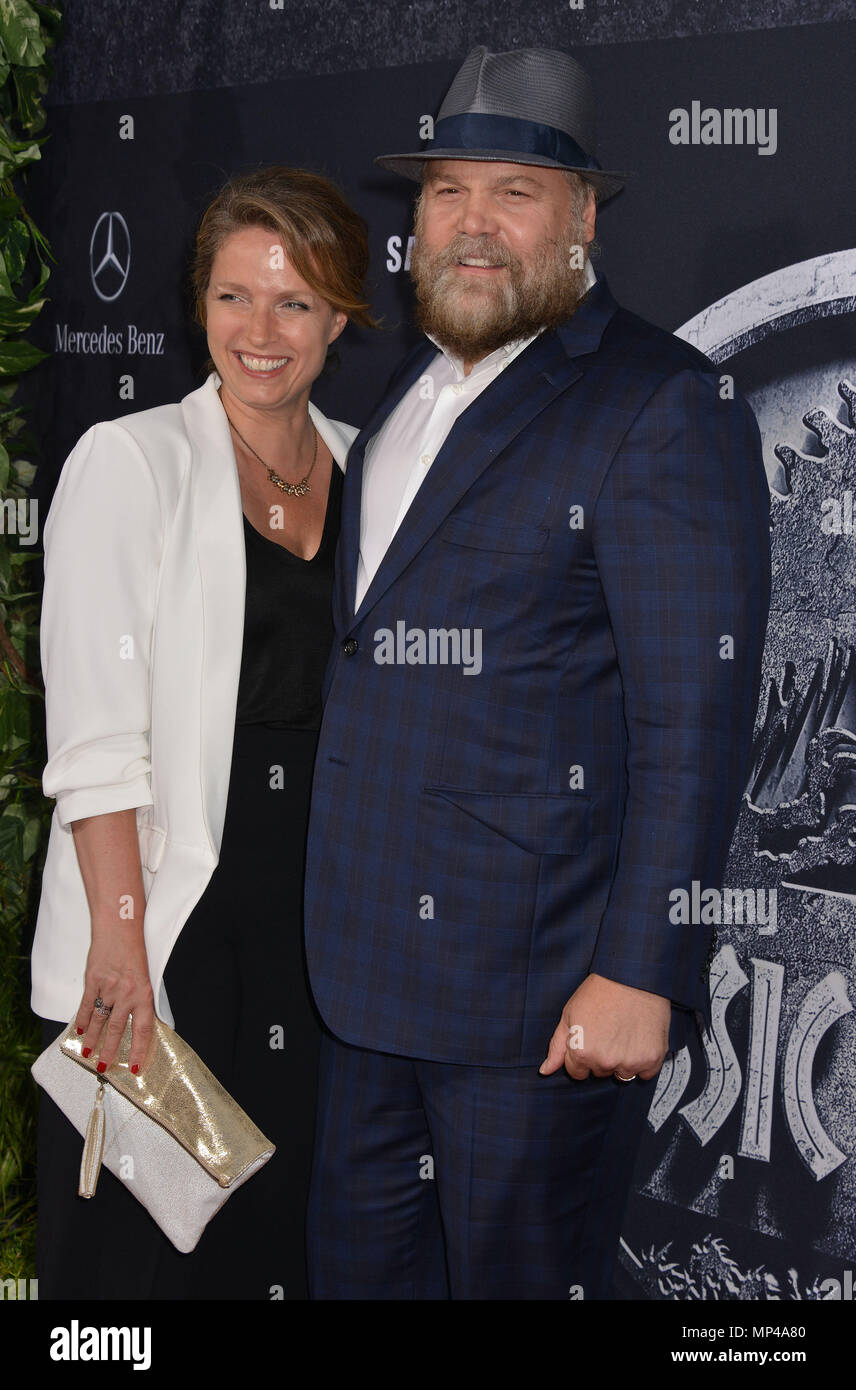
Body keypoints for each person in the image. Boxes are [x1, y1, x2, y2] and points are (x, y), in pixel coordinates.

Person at [303, 46, 772, 1300]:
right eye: (448, 192)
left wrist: (639, 971)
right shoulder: (409, 390)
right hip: (362, 985)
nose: (471, 224)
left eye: (514, 193)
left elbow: (693, 717)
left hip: (536, 1003)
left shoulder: (657, 401)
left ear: (581, 222)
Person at [31, 165, 375, 1299]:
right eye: (233, 297)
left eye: (294, 302)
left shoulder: (373, 468)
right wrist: (119, 940)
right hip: (171, 904)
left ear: (339, 315)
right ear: (197, 307)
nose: (260, 331)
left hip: (311, 915)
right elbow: (94, 738)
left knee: (274, 1237)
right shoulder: (132, 464)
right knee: (141, 1251)